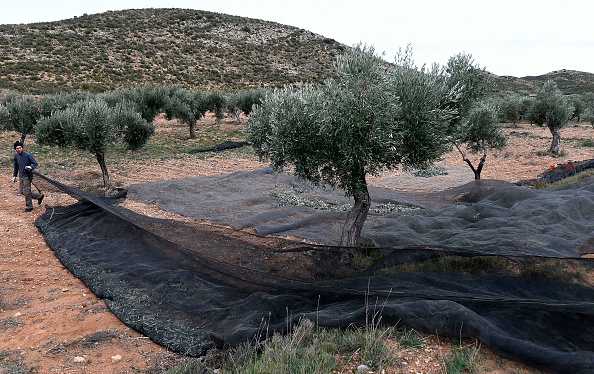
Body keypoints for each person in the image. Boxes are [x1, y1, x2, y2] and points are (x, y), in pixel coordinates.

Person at [12, 141, 44, 212]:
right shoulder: (16, 156)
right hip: (21, 175)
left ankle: (29, 207)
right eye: (17, 148)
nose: (19, 149)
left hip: (27, 175)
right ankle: (39, 197)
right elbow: (15, 166)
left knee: (26, 191)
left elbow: (35, 163)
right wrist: (14, 176)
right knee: (21, 191)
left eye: (20, 148)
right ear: (15, 149)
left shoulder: (27, 155)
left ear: (22, 148)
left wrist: (31, 167)